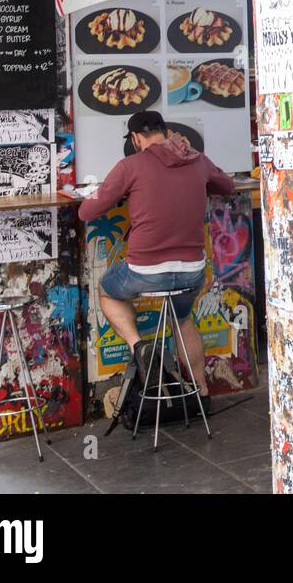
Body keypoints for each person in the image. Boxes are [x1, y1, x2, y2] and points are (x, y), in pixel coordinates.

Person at [76, 111, 234, 407]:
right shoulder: (197, 159)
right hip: (191, 271)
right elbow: (227, 186)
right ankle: (202, 393)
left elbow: (87, 213)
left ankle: (139, 346)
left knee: (107, 291)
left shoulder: (130, 165)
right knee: (183, 320)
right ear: (166, 131)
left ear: (136, 138)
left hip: (143, 271)